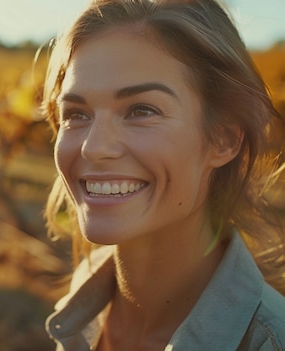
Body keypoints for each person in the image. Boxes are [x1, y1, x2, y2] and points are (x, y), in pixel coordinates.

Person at [40, 0, 285, 350]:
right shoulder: (87, 295)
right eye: (76, 114)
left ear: (223, 139)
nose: (93, 148)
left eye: (141, 110)